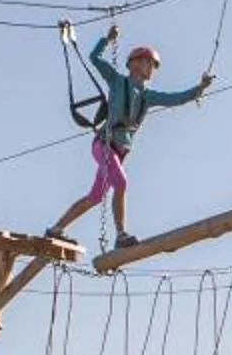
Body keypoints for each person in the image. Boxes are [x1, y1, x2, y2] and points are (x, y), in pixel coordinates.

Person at [53, 23, 213, 253]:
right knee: (122, 182)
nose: (151, 68)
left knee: (96, 196)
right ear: (134, 64)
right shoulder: (118, 81)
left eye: (154, 65)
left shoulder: (148, 96)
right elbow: (94, 58)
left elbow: (176, 98)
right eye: (148, 62)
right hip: (104, 145)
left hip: (118, 151)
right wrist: (107, 39)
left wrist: (200, 88)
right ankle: (120, 234)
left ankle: (57, 228)